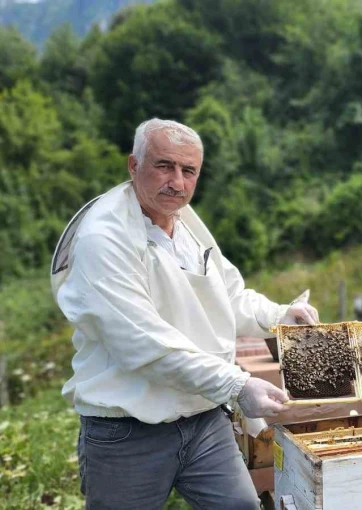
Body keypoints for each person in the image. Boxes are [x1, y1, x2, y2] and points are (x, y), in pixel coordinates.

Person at [50, 119, 319, 510]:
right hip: (128, 430)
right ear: (133, 165)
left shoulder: (185, 222)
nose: (176, 181)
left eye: (188, 170)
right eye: (164, 166)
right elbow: (144, 345)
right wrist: (237, 385)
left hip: (203, 418)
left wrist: (280, 316)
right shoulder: (103, 238)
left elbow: (226, 295)